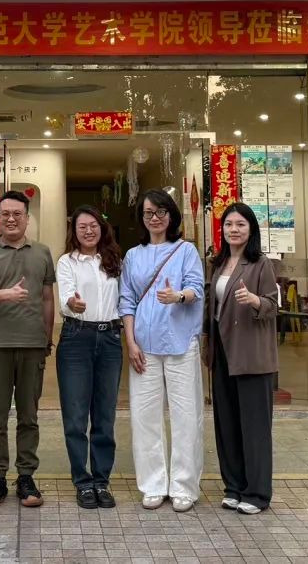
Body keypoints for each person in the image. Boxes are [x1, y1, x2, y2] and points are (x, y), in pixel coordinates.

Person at [119, 188, 205, 513]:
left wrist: (178, 296)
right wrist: (131, 342)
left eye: (160, 212)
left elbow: (196, 289)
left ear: (171, 215)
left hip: (181, 343)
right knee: (145, 418)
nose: (154, 218)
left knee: (186, 417)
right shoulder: (132, 255)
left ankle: (184, 486)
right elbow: (126, 300)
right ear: (141, 218)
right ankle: (153, 484)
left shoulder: (186, 250)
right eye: (148, 213)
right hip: (144, 347)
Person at [0, 191, 56, 509]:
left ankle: (26, 477)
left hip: (33, 344)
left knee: (29, 416)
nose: (11, 219)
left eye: (17, 214)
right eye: (5, 213)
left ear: (27, 217)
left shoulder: (42, 252)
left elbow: (47, 298)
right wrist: (8, 294)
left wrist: (47, 337)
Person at [206, 202, 279, 516]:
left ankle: (257, 492)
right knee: (227, 423)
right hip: (223, 352)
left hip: (251, 354)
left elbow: (273, 305)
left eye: (240, 224)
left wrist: (254, 300)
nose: (233, 230)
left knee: (254, 426)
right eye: (228, 224)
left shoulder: (261, 263)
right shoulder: (218, 262)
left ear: (251, 229)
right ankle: (234, 487)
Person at [55, 205, 123, 510]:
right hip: (76, 338)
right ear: (74, 230)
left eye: (93, 225)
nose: (88, 231)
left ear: (102, 227)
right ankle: (82, 482)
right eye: (82, 226)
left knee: (105, 416)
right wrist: (72, 304)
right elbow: (66, 296)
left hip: (110, 339)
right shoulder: (66, 261)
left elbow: (126, 299)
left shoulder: (115, 260)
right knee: (75, 416)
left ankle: (101, 481)